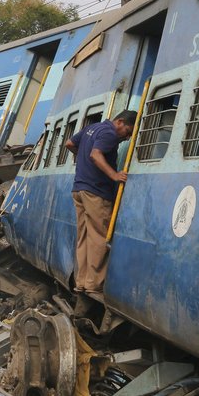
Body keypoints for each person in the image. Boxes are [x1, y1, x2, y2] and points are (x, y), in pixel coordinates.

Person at [65, 111, 137, 295]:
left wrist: (82, 162)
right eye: (128, 131)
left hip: (79, 189)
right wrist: (114, 175)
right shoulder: (110, 133)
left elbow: (70, 143)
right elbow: (96, 155)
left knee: (83, 237)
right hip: (96, 192)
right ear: (120, 122)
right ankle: (93, 284)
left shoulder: (92, 128)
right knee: (98, 237)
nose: (127, 137)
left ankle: (81, 281)